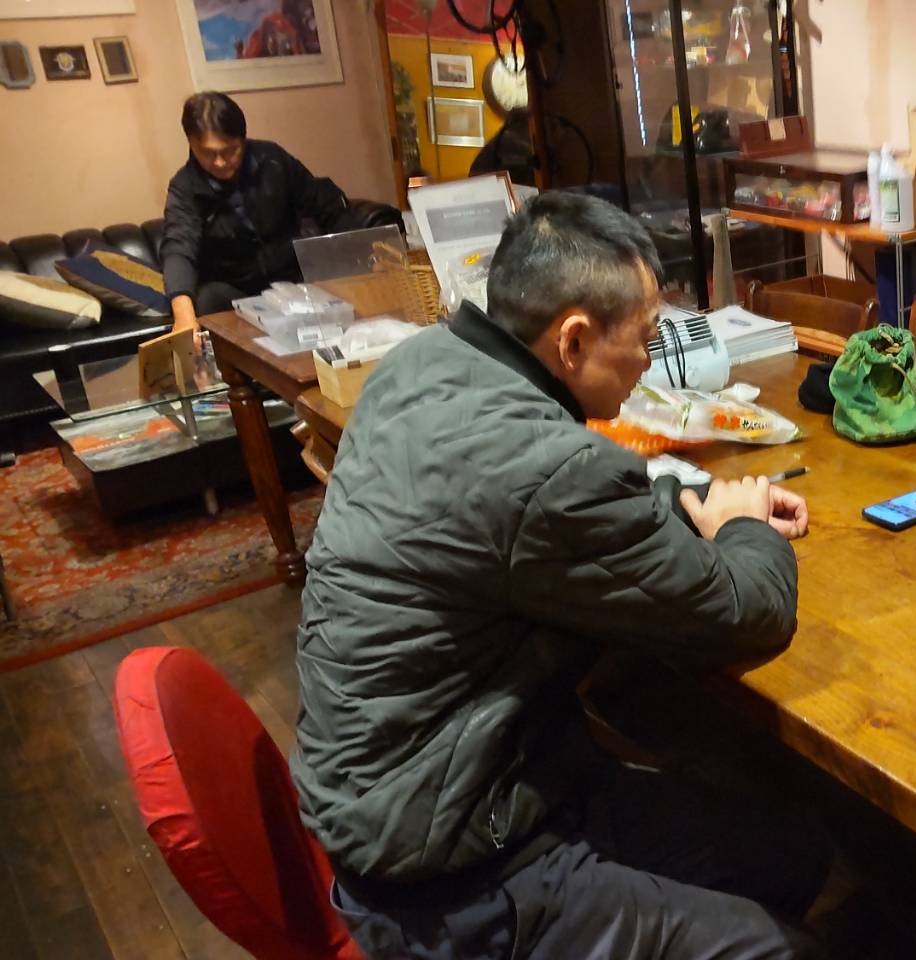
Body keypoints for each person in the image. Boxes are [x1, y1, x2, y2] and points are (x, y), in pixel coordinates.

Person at [291, 191, 830, 959]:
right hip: (456, 873)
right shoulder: (551, 469)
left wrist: (690, 504)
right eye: (645, 337)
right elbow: (750, 615)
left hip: (405, 791)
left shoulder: (421, 364)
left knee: (788, 851)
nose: (650, 359)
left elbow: (544, 526)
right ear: (573, 340)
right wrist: (743, 525)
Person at [160, 92, 350, 335]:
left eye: (230, 151)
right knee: (208, 298)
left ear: (243, 138)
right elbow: (178, 248)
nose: (220, 162)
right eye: (208, 153)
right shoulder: (184, 187)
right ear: (191, 143)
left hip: (292, 276)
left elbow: (323, 203)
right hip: (235, 289)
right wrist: (184, 319)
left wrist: (360, 255)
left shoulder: (273, 160)